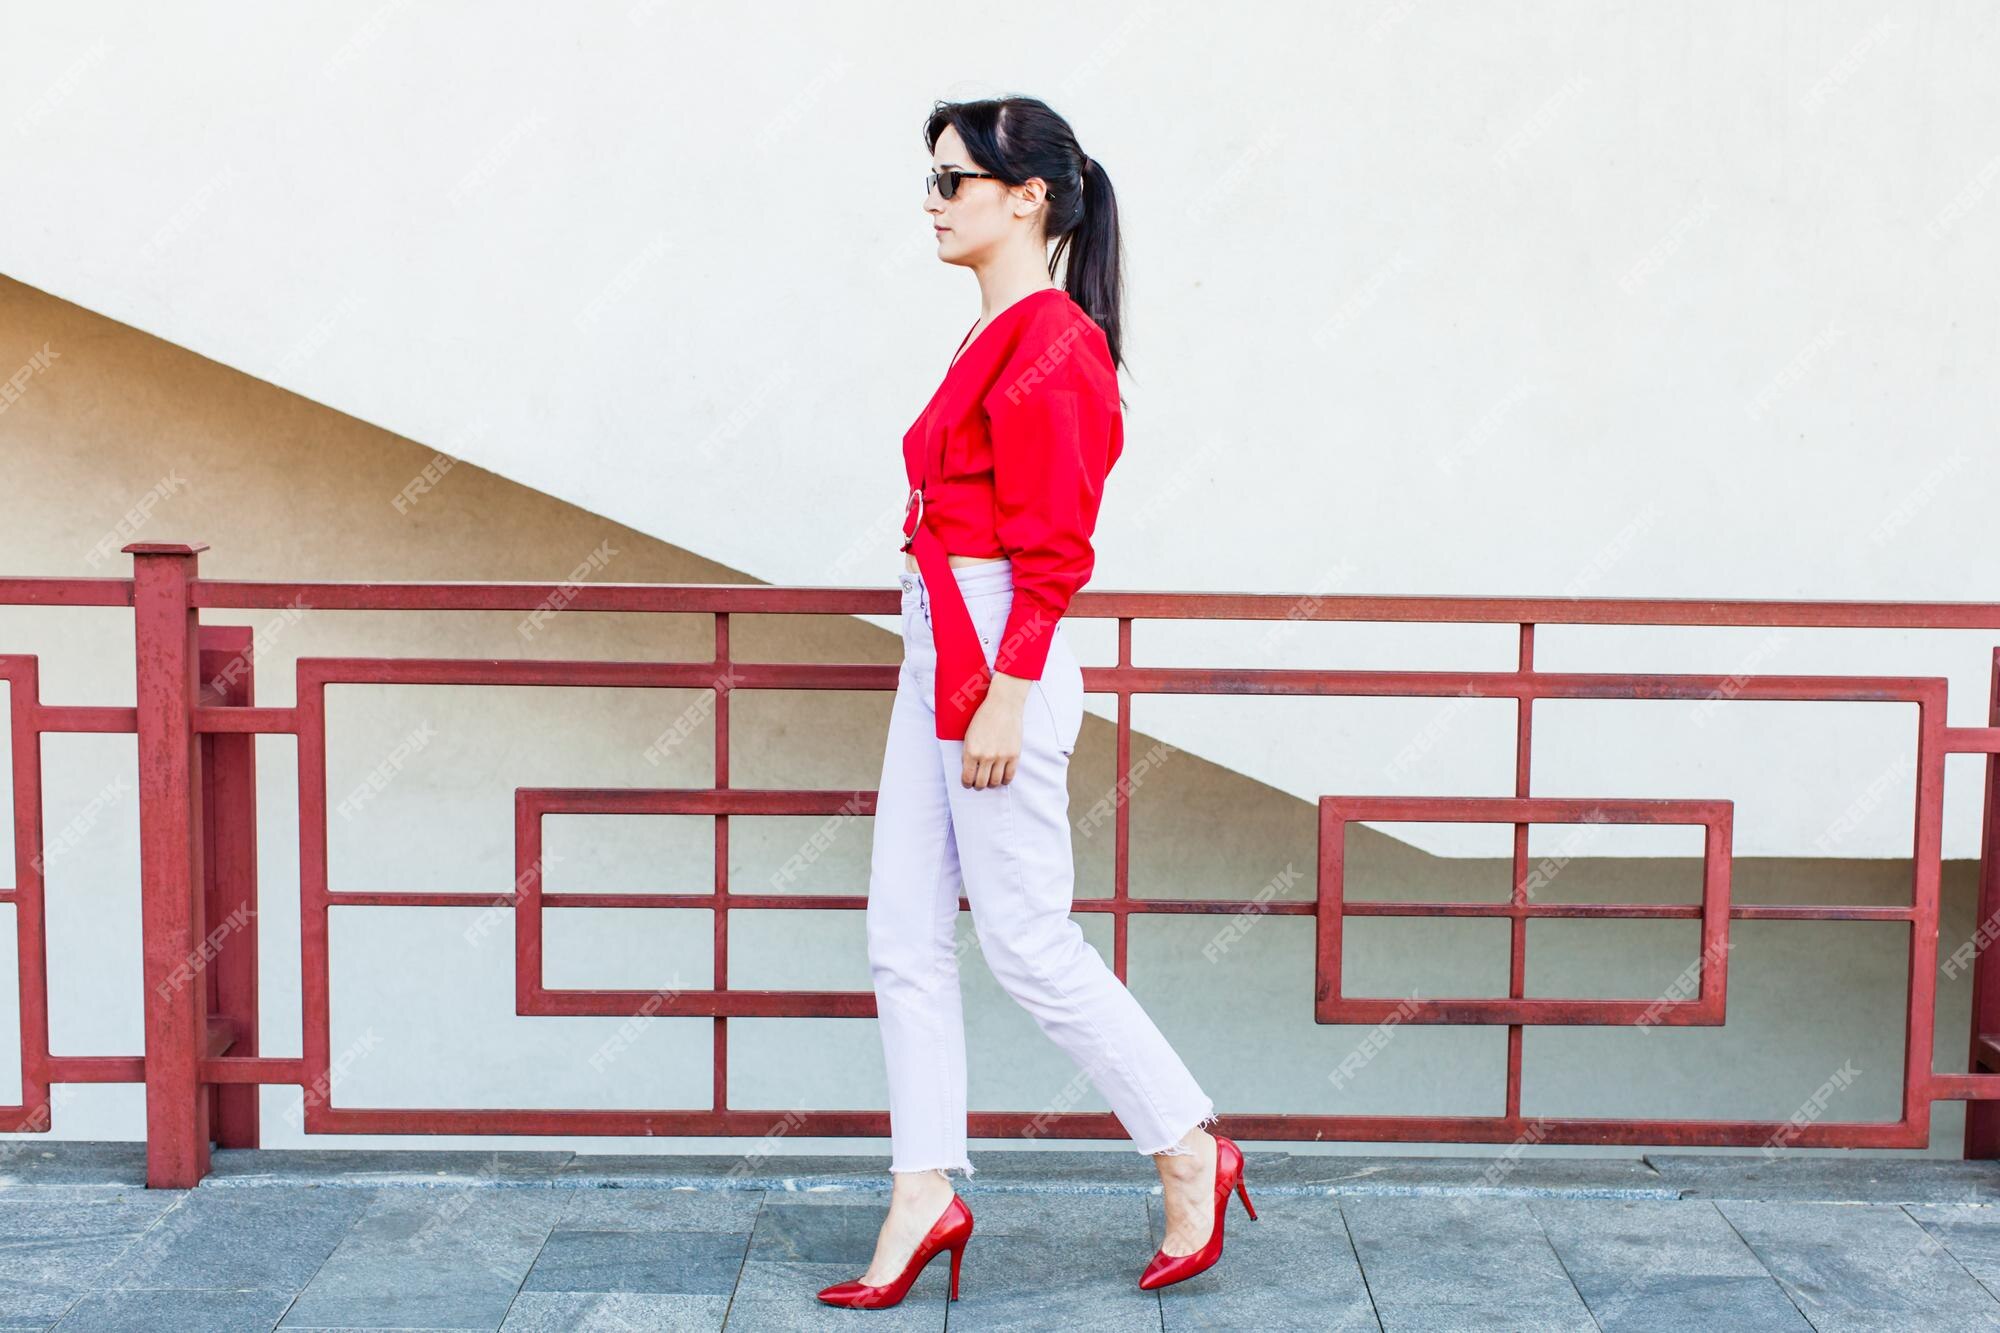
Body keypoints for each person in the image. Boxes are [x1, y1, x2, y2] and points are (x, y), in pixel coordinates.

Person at [816, 95, 1254, 1311]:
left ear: (1029, 199)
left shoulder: (1052, 342)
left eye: (953, 181)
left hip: (998, 656)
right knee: (902, 933)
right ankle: (923, 1190)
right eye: (932, 179)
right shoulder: (992, 333)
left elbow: (1055, 547)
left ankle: (1186, 1146)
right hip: (943, 652)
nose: (931, 201)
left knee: (1023, 936)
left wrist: (1005, 693)